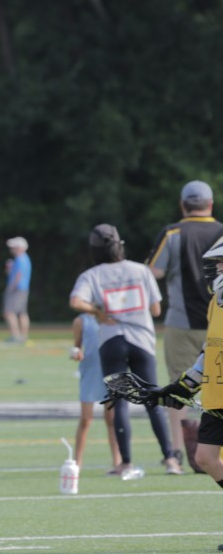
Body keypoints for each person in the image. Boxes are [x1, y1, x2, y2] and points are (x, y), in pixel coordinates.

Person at [70, 224, 179, 476]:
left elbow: (76, 301)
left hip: (111, 341)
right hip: (141, 340)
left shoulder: (92, 275)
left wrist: (98, 311)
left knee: (118, 401)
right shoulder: (141, 271)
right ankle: (170, 459)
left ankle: (125, 463)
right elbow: (156, 310)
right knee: (152, 398)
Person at [146, 180, 223, 471]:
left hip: (181, 321)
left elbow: (153, 272)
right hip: (210, 324)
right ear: (210, 204)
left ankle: (176, 454)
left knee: (181, 387)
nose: (216, 267)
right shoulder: (221, 231)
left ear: (183, 205)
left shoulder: (173, 233)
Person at [148, 240, 223, 512]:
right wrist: (185, 385)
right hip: (215, 396)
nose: (217, 269)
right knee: (205, 458)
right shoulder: (215, 303)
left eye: (221, 263)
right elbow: (209, 349)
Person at [70, 314, 122, 471]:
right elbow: (77, 346)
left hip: (110, 370)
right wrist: (76, 353)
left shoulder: (115, 316)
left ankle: (117, 461)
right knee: (86, 419)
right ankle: (77, 462)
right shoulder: (81, 321)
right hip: (90, 372)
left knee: (112, 419)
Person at [3, 236, 32, 344]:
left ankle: (15, 337)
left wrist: (12, 287)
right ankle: (23, 337)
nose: (11, 249)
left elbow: (18, 275)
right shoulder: (24, 258)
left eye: (14, 247)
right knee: (22, 313)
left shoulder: (20, 258)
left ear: (19, 248)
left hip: (17, 289)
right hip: (23, 289)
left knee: (9, 312)